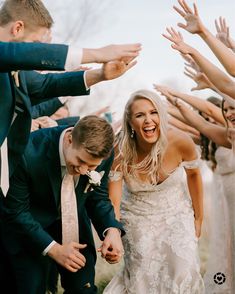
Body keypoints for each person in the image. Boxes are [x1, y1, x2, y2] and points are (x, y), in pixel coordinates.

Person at [1, 115, 125, 294]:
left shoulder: (103, 153)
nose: (83, 170)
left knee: (83, 289)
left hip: (74, 227)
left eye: (91, 167)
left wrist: (112, 229)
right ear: (69, 139)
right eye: (80, 161)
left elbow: (97, 197)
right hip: (29, 232)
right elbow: (16, 212)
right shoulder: (26, 151)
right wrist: (54, 249)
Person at [104, 89, 205, 293]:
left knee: (182, 269)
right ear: (130, 122)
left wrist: (198, 218)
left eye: (154, 112)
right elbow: (113, 201)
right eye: (140, 115)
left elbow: (194, 176)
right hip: (137, 217)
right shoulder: (120, 151)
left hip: (176, 213)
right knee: (143, 276)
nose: (148, 120)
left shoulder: (180, 141)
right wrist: (113, 233)